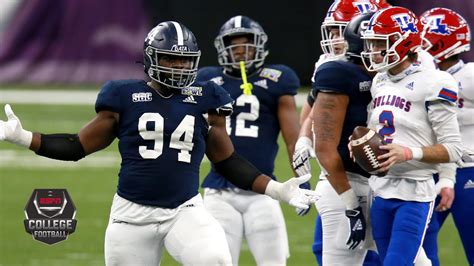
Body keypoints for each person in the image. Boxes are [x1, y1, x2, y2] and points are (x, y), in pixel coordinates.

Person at [0, 21, 316, 266]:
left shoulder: (206, 97)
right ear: (152, 57)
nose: (178, 66)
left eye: (184, 60)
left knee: (215, 260)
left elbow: (227, 161)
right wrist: (22, 137)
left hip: (185, 210)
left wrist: (277, 189)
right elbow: (76, 147)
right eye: (170, 58)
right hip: (131, 216)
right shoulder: (123, 96)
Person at [360, 6, 463, 265]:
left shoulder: (435, 81)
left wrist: (409, 153)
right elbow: (380, 130)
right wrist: (361, 144)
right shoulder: (379, 81)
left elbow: (453, 149)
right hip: (381, 190)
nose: (372, 50)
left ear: (403, 42)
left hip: (414, 192)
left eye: (379, 43)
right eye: (371, 43)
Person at [196, 15, 301, 266]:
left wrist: (302, 181)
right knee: (218, 261)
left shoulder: (278, 79)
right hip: (219, 191)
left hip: (263, 191)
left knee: (274, 263)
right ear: (222, 48)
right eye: (234, 45)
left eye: (246, 44)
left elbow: (293, 139)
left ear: (259, 45)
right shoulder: (207, 80)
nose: (240, 51)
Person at [292, 1, 388, 265]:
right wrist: (303, 140)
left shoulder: (393, 65)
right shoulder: (332, 67)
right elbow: (313, 113)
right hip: (347, 176)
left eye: (340, 30)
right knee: (331, 249)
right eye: (332, 31)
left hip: (388, 176)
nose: (335, 39)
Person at [420, 7, 474, 266]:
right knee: (420, 250)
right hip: (432, 171)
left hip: (468, 171)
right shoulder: (421, 79)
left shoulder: (469, 75)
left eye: (423, 39)